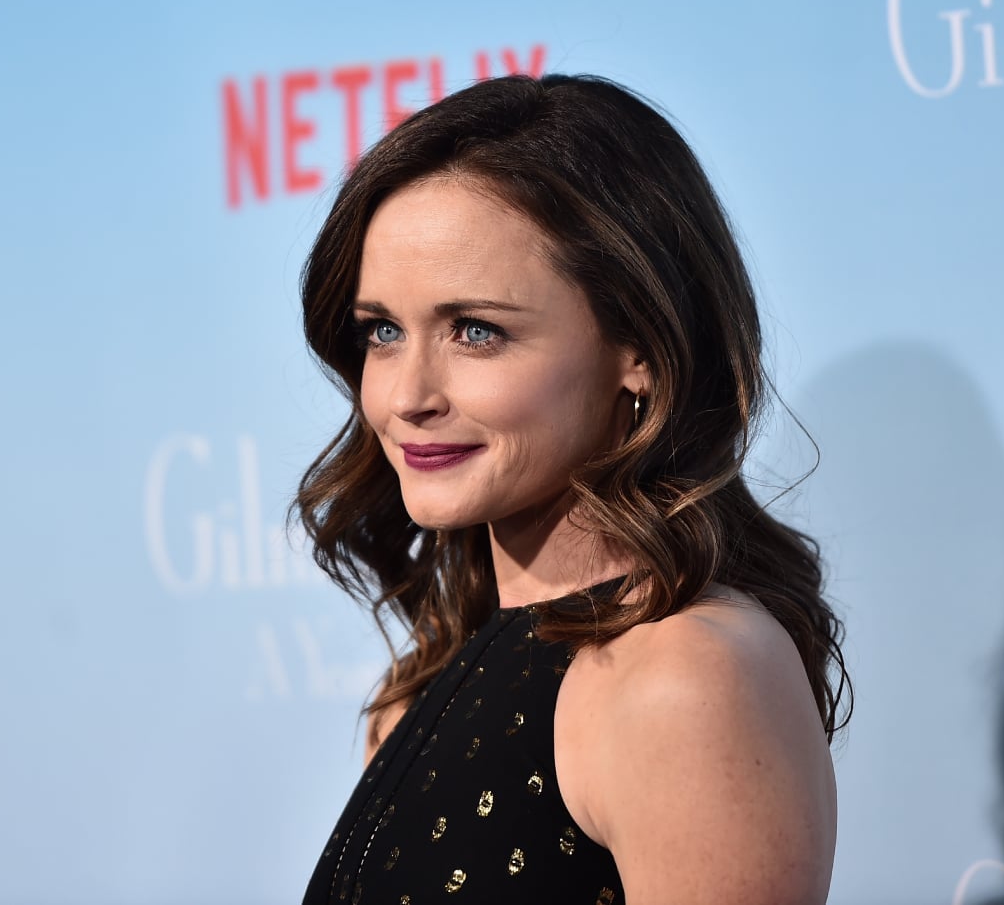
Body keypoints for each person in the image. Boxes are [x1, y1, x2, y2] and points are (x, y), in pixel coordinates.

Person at [295, 73, 849, 905]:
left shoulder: (684, 679)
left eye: (475, 331)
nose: (407, 396)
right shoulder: (413, 694)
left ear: (642, 349)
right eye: (383, 331)